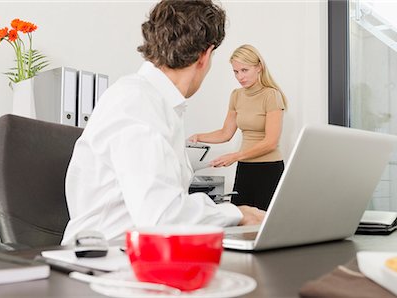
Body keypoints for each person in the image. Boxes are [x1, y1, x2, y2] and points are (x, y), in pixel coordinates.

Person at [61, 0, 265, 245]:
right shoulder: (137, 102)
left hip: (139, 254)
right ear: (205, 55)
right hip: (102, 261)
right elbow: (161, 217)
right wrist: (236, 213)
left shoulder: (157, 103)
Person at [189, 44, 287, 211]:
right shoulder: (236, 95)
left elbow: (271, 142)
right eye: (236, 72)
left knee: (263, 223)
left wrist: (236, 156)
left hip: (269, 170)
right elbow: (225, 133)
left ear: (259, 67)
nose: (240, 76)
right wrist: (198, 136)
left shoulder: (271, 95)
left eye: (244, 70)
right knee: (240, 219)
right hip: (245, 168)